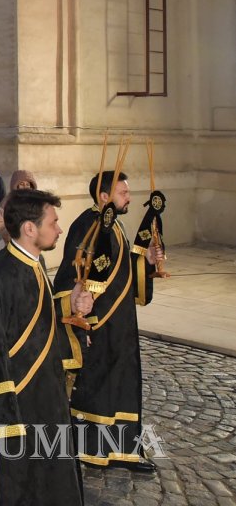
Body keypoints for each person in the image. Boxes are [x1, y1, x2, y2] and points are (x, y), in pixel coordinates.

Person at [0, 189, 91, 506]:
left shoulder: (33, 264)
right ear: (29, 228)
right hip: (13, 411)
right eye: (53, 222)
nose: (59, 229)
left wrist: (70, 305)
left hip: (44, 401)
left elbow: (34, 320)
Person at [52, 170, 163, 472]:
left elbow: (121, 271)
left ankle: (124, 451)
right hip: (99, 327)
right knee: (98, 390)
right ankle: (92, 452)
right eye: (123, 193)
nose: (129, 198)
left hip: (121, 325)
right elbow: (71, 278)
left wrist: (146, 262)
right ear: (104, 196)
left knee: (122, 386)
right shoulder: (86, 226)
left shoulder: (113, 224)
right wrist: (81, 322)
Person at [0, 170, 37, 246]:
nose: (25, 187)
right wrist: (10, 236)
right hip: (14, 245)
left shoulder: (35, 201)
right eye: (22, 184)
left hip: (32, 244)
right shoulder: (8, 201)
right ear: (16, 185)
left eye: (27, 184)